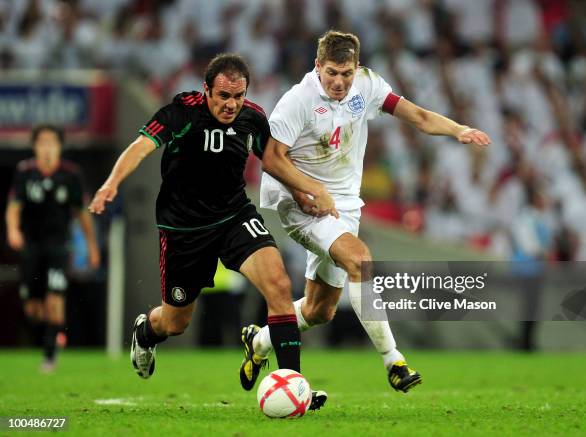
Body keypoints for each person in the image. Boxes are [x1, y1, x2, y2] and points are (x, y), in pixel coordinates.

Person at [239, 31, 491, 393]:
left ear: (357, 69)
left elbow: (417, 116)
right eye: (331, 73)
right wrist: (309, 190)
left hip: (343, 203)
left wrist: (459, 129)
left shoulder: (368, 85)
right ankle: (394, 361)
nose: (339, 82)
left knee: (319, 310)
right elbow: (272, 159)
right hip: (300, 201)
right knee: (360, 261)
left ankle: (258, 342)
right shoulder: (298, 100)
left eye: (346, 73)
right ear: (317, 67)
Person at [88, 54, 331, 410]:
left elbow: (274, 161)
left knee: (278, 285)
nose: (231, 104)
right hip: (183, 228)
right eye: (223, 96)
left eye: (238, 96)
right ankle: (146, 332)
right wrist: (112, 183)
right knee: (175, 322)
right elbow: (141, 146)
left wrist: (301, 192)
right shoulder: (182, 112)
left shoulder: (252, 118)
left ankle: (294, 386)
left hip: (234, 216)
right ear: (206, 91)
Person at [5, 124, 101, 372]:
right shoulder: (24, 172)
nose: (47, 148)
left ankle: (50, 355)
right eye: (42, 143)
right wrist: (13, 231)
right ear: (35, 146)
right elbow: (13, 207)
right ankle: (51, 333)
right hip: (32, 247)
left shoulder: (71, 175)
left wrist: (92, 246)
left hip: (59, 246)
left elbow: (82, 214)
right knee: (33, 309)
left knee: (55, 299)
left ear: (59, 146)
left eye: (52, 143)